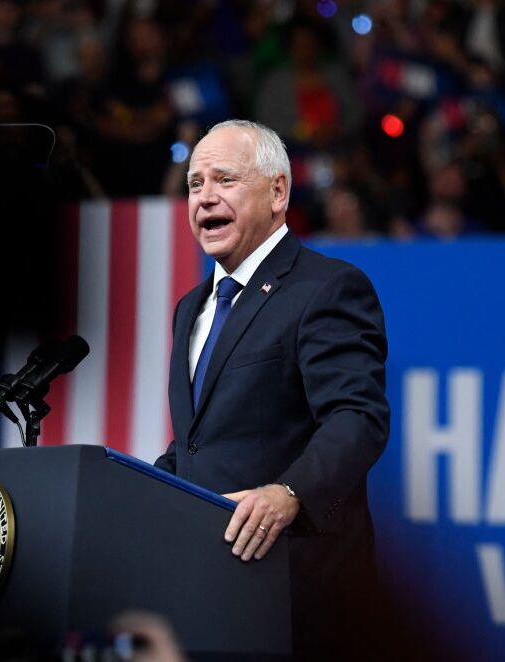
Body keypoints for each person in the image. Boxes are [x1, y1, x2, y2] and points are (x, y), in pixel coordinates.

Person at [154, 119, 390, 659]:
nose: (205, 198)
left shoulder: (326, 288)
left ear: (278, 191)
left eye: (225, 180)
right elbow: (199, 444)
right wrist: (133, 489)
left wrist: (288, 494)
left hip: (301, 592)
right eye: (195, 184)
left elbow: (357, 418)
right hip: (211, 594)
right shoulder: (191, 309)